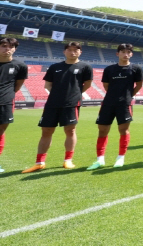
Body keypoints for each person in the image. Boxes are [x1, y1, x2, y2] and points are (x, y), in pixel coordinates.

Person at [22, 41, 93, 173]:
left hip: (71, 104)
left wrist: (75, 94)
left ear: (80, 52)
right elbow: (48, 85)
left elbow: (87, 84)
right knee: (46, 131)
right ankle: (40, 162)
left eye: (75, 50)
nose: (72, 52)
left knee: (70, 131)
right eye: (69, 50)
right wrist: (55, 95)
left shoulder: (85, 67)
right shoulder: (55, 67)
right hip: (52, 104)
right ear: (64, 51)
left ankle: (68, 160)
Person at [87, 43, 143, 170]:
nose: (126, 54)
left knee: (123, 131)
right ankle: (100, 160)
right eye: (123, 52)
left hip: (124, 104)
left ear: (131, 54)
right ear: (117, 53)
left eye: (128, 52)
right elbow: (106, 86)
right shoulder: (109, 69)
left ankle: (120, 158)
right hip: (108, 103)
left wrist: (128, 97)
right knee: (102, 130)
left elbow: (138, 85)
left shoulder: (136, 69)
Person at [0, 38, 28, 173]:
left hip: (5, 102)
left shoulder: (20, 66)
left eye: (11, 47)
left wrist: (6, 95)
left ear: (15, 49)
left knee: (0, 132)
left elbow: (17, 85)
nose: (7, 49)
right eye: (4, 46)